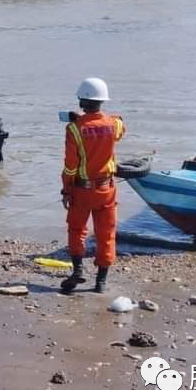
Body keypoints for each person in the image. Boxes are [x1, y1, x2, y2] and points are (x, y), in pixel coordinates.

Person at [59, 77, 126, 295]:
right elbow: (120, 125)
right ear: (102, 101)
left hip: (82, 189)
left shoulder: (74, 129)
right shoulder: (113, 124)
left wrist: (66, 189)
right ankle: (101, 283)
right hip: (106, 189)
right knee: (106, 234)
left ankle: (78, 270)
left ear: (81, 101)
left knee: (77, 229)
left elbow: (70, 166)